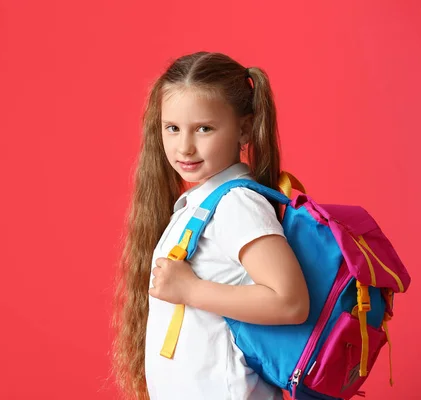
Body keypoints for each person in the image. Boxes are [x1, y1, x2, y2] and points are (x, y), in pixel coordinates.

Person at [112, 51, 310, 400]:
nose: (184, 147)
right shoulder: (200, 205)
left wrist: (190, 290)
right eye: (172, 128)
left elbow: (290, 302)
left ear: (244, 128)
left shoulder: (236, 205)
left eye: (204, 128)